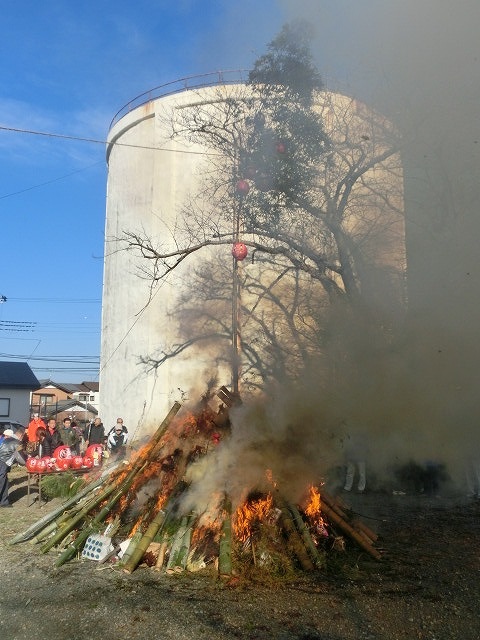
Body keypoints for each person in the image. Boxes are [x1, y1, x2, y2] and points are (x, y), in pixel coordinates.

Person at [0, 427, 26, 506]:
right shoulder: (17, 443)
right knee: (2, 482)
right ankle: (3, 502)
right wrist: (26, 462)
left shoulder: (7, 439)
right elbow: (21, 458)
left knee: (4, 481)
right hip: (3, 462)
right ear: (21, 435)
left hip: (1, 460)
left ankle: (4, 501)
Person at [343, 429, 369, 494]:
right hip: (352, 457)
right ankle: (347, 488)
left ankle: (360, 488)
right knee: (350, 473)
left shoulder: (363, 437)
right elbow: (348, 447)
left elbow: (365, 448)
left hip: (360, 457)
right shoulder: (350, 436)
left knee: (361, 473)